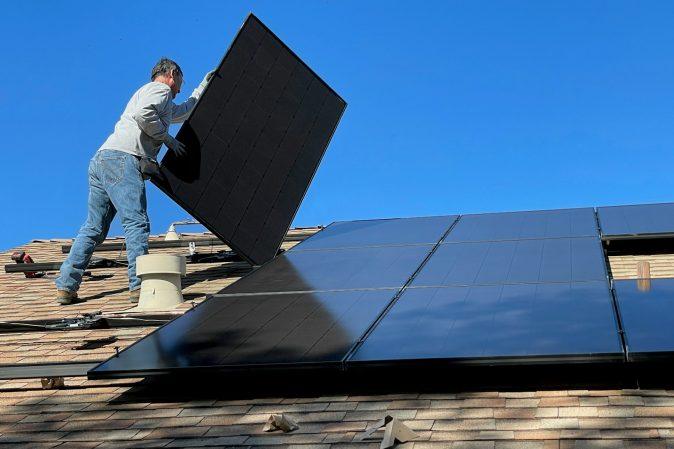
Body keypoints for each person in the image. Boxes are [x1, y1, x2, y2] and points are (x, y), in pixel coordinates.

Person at [55, 58, 214, 305]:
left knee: (93, 228)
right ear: (172, 73)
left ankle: (66, 285)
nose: (181, 87)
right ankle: (139, 287)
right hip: (123, 159)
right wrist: (168, 140)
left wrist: (203, 87)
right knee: (136, 223)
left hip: (102, 159)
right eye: (181, 81)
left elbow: (182, 112)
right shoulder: (160, 90)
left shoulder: (150, 93)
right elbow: (144, 115)